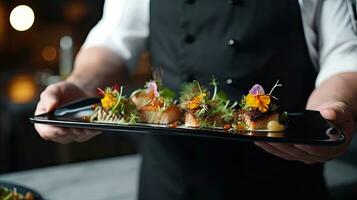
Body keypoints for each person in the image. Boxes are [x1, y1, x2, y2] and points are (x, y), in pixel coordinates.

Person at [35, 0, 357, 199]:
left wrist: (330, 112)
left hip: (284, 179)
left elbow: (344, 58)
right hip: (172, 182)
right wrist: (80, 85)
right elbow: (114, 42)